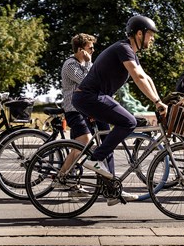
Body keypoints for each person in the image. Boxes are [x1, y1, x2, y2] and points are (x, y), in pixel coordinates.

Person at [72, 15, 167, 206]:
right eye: (150, 34)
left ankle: (111, 190)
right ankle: (95, 159)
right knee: (129, 122)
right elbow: (138, 77)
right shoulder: (123, 49)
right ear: (139, 34)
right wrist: (156, 101)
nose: (153, 39)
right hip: (90, 97)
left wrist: (160, 101)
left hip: (94, 97)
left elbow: (146, 78)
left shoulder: (130, 52)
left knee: (108, 142)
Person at [59, 33, 110, 195]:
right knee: (84, 143)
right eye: (90, 48)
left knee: (78, 147)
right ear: (81, 50)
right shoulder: (70, 65)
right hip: (74, 110)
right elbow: (88, 81)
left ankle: (68, 181)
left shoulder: (83, 63)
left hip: (84, 110)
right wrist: (89, 63)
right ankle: (62, 177)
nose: (94, 50)